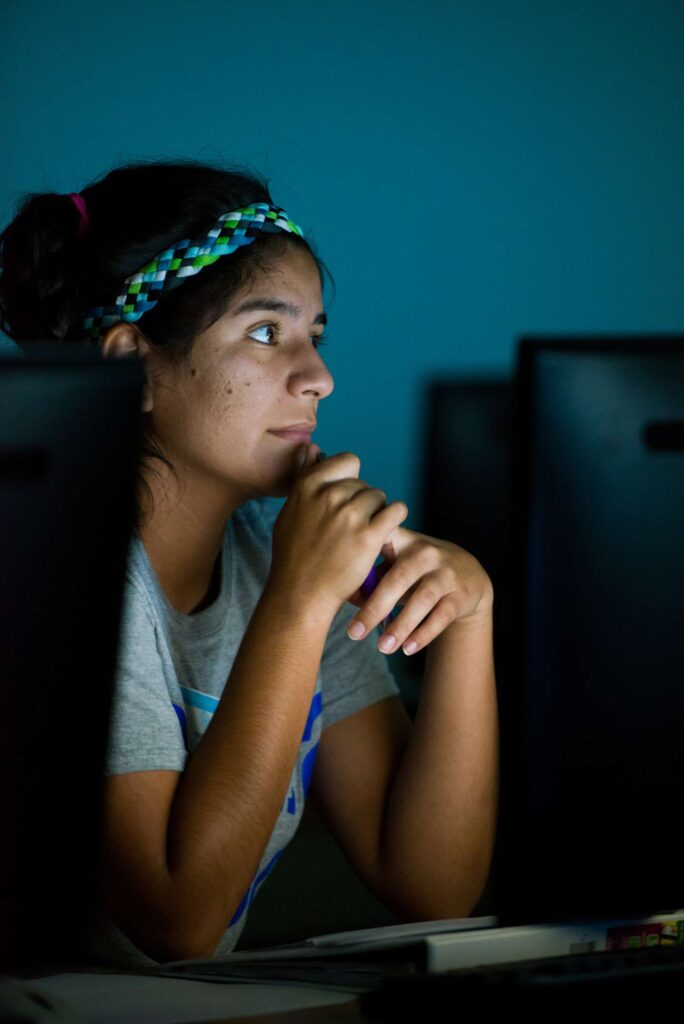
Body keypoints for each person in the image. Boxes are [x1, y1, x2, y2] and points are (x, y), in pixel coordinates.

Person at [0, 159, 498, 966]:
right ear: (130, 364)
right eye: (267, 333)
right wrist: (301, 600)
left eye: (316, 337)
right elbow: (177, 922)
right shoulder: (76, 587)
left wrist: (471, 619)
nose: (320, 379)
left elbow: (431, 884)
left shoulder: (280, 556)